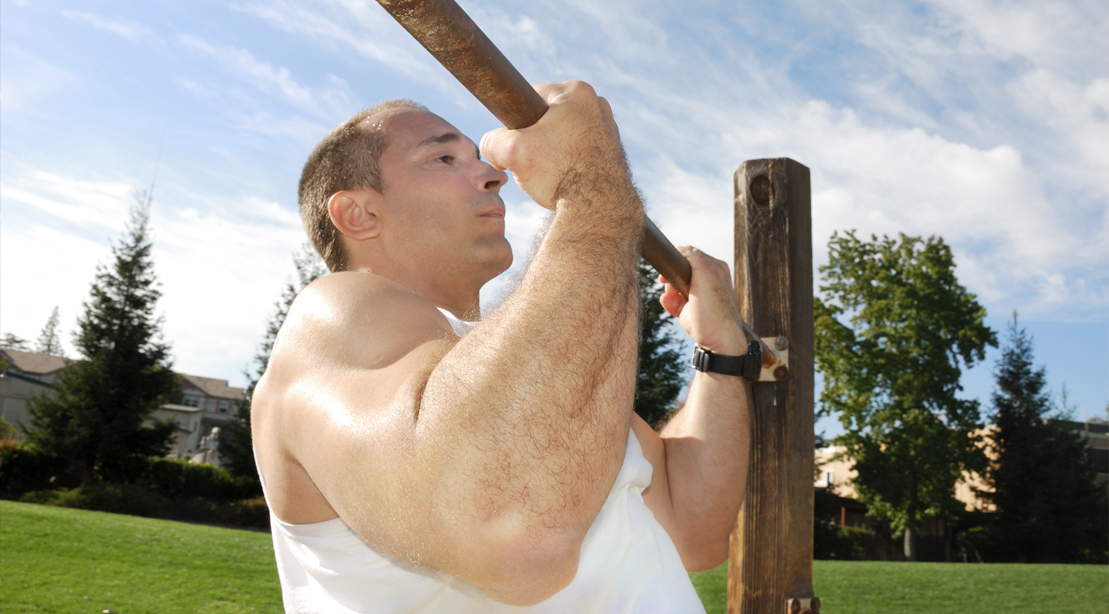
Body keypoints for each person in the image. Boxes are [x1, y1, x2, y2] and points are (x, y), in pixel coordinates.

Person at [251, 80, 753, 613]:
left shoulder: (527, 374)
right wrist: (593, 185)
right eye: (444, 157)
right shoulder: (332, 315)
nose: (494, 175)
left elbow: (692, 531)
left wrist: (719, 354)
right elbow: (512, 531)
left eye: (478, 159)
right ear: (360, 214)